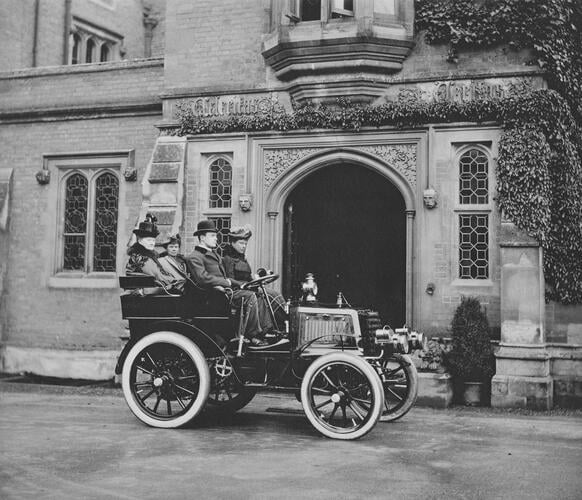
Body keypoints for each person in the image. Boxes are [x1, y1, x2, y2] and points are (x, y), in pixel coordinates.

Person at [185, 219, 269, 347]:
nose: (216, 239)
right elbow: (202, 278)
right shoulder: (194, 257)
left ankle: (264, 331)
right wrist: (226, 283)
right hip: (212, 297)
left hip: (224, 293)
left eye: (216, 236)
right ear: (202, 237)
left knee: (258, 294)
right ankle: (252, 336)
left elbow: (226, 278)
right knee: (249, 296)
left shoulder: (215, 254)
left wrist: (239, 284)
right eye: (212, 236)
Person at [222, 225, 287, 333]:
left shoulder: (243, 260)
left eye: (245, 244)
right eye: (241, 243)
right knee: (268, 295)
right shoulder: (228, 259)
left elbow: (249, 278)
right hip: (237, 292)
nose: (244, 246)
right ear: (232, 243)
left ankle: (279, 326)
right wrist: (247, 285)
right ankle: (267, 329)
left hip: (248, 288)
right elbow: (230, 280)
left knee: (274, 294)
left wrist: (257, 280)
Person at [126, 214, 185, 294]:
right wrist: (174, 281)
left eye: (153, 241)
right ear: (140, 240)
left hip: (152, 289)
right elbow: (157, 274)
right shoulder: (141, 257)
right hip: (146, 293)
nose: (152, 243)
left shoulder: (151, 255)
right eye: (149, 240)